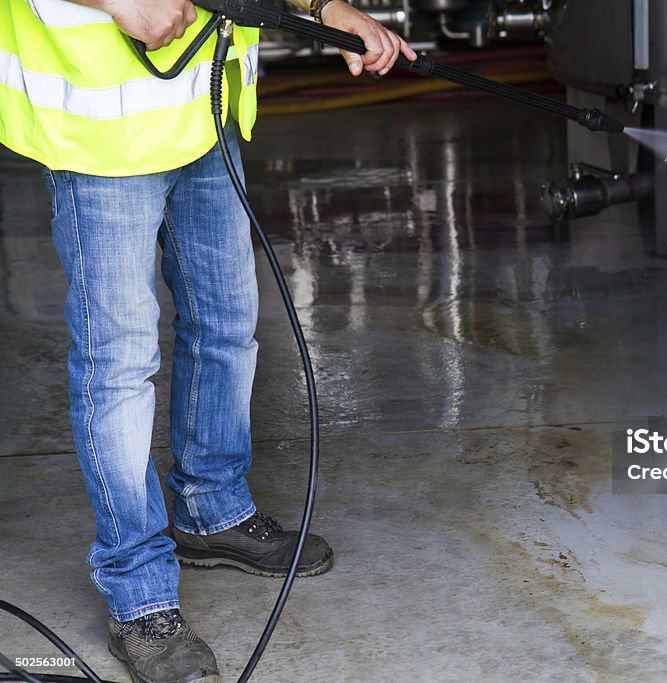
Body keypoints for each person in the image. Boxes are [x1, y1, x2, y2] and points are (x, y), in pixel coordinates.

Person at [0, 1, 416, 681]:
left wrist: (326, 9)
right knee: (120, 365)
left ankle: (211, 507)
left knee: (226, 321)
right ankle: (138, 594)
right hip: (98, 125)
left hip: (201, 108)